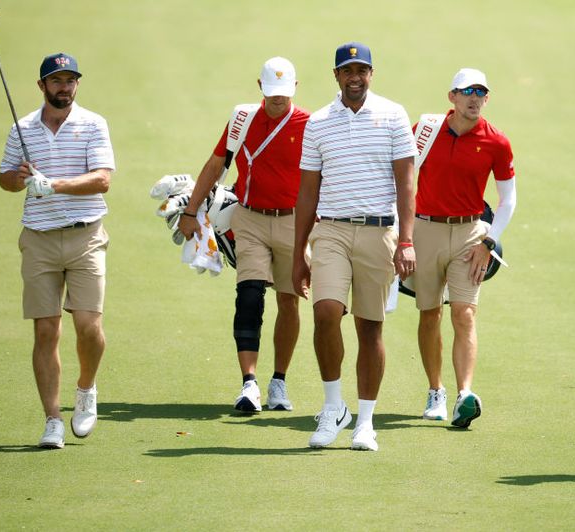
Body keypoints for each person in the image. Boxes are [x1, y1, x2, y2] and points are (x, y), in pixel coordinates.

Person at [293, 42, 417, 451]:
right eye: (348, 71)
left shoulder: (393, 114)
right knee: (326, 312)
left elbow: (406, 183)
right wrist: (299, 254)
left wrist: (407, 240)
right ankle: (334, 408)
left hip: (379, 231)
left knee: (369, 326)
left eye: (362, 70)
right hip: (330, 230)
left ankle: (365, 421)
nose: (355, 78)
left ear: (371, 74)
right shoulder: (319, 122)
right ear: (336, 76)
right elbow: (307, 192)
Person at [0, 53, 115, 449]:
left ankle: (86, 389)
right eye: (56, 80)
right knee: (46, 329)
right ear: (42, 86)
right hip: (39, 238)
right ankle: (52, 419)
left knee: (89, 327)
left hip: (86, 237)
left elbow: (102, 180)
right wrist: (20, 179)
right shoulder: (23, 128)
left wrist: (55, 185)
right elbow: (5, 179)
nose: (64, 87)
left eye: (70, 80)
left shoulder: (93, 124)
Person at [178, 57, 309, 413]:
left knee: (288, 300)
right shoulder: (243, 119)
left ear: (295, 88)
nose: (277, 100)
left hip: (293, 222)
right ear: (260, 87)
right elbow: (217, 162)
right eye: (271, 93)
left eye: (283, 93)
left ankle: (278, 382)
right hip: (249, 218)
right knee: (249, 295)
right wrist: (191, 210)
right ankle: (249, 383)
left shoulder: (309, 124)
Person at [411, 68, 516, 428]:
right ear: (451, 96)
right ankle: (435, 390)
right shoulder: (423, 131)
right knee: (429, 314)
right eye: (467, 91)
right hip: (424, 230)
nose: (474, 98)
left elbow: (508, 200)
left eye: (481, 93)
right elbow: (402, 178)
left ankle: (463, 395)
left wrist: (488, 242)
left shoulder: (497, 142)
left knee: (464, 313)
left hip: (470, 233)